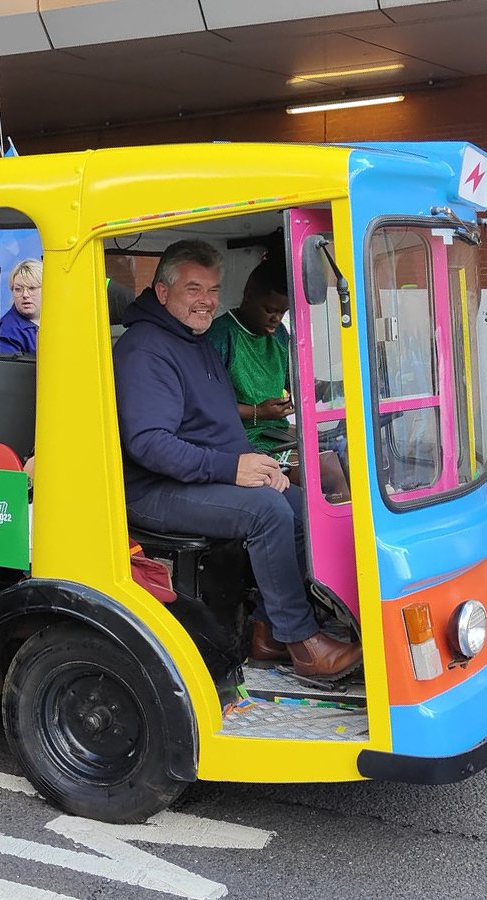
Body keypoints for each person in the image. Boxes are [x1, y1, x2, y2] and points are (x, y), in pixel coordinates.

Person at [113, 239, 361, 680]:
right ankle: (301, 641)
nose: (207, 302)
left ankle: (269, 630)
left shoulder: (195, 339)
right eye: (194, 290)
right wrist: (233, 468)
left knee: (299, 504)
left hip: (193, 478)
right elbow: (148, 443)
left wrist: (257, 465)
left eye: (213, 290)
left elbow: (213, 429)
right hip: (151, 489)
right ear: (163, 292)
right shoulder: (145, 349)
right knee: (266, 511)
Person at [208, 255, 350, 500]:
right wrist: (257, 412)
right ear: (248, 295)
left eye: (282, 311)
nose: (276, 318)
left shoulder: (280, 335)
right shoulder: (221, 336)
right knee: (331, 472)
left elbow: (290, 384)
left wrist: (328, 388)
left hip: (277, 433)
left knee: (349, 457)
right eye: (270, 310)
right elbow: (207, 407)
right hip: (241, 443)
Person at [0, 258, 41, 354]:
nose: (25, 295)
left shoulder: (59, 318)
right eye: (18, 289)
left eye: (32, 288)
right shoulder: (7, 332)